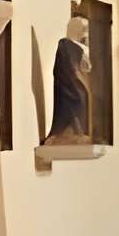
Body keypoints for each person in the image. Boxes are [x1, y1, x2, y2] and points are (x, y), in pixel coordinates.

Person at [48, 12, 92, 141]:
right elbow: (70, 69)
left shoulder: (78, 47)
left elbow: (85, 67)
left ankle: (77, 131)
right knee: (79, 99)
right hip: (69, 87)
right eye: (85, 30)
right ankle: (73, 132)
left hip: (74, 84)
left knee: (83, 99)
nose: (86, 34)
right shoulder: (65, 44)